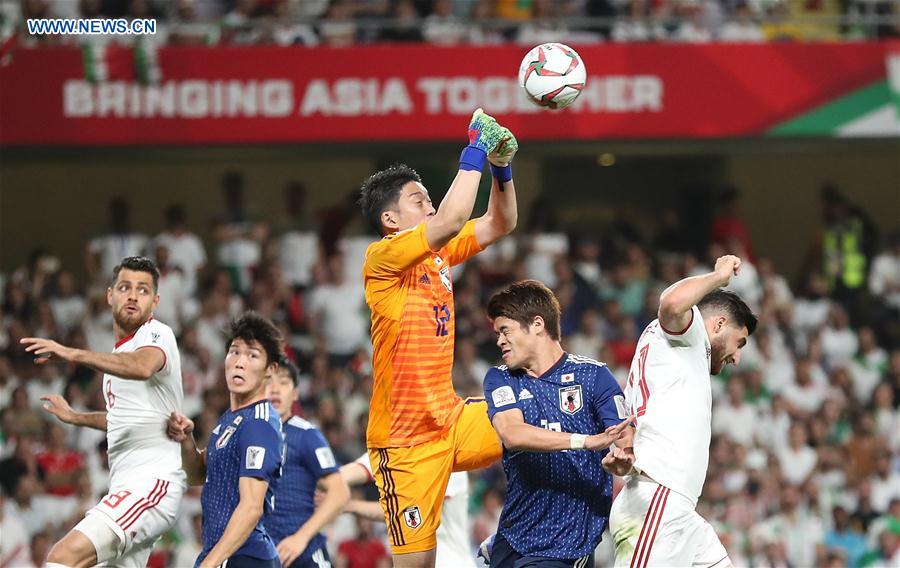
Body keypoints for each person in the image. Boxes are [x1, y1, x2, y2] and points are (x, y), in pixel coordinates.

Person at [357, 108, 518, 566]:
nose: (430, 206)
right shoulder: (382, 259)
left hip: (450, 420)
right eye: (419, 200)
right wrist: (476, 149)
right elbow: (450, 218)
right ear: (391, 219)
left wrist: (501, 167)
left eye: (430, 199)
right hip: (404, 444)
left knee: (534, 415)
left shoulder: (438, 254)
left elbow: (500, 222)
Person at [22, 256, 186, 568]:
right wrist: (76, 417)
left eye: (143, 290)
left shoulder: (157, 334)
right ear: (110, 295)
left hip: (150, 484)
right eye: (125, 288)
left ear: (155, 302)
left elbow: (142, 366)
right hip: (126, 486)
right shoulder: (116, 357)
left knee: (62, 557)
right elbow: (123, 419)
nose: (133, 296)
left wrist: (71, 353)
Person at [604, 255, 758, 568]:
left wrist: (628, 453)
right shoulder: (690, 335)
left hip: (677, 508)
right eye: (739, 342)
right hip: (658, 503)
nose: (737, 357)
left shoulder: (677, 354)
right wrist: (719, 277)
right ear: (718, 324)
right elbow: (672, 303)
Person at [482, 279, 632, 567]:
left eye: (505, 330)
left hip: (567, 543)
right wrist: (585, 441)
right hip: (513, 537)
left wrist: (624, 461)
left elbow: (625, 440)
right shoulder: (501, 378)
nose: (499, 341)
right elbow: (512, 433)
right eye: (497, 333)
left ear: (537, 324)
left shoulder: (593, 376)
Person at [167, 312, 285, 568]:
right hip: (222, 553)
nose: (240, 362)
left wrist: (209, 564)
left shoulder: (259, 424)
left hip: (245, 556)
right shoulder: (229, 419)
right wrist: (186, 440)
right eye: (234, 352)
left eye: (252, 355)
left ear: (270, 369)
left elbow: (251, 508)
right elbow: (198, 475)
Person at [264, 358, 350, 568]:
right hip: (261, 552)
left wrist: (300, 538)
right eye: (268, 381)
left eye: (283, 382)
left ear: (295, 393)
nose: (275, 389)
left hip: (304, 552)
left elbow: (340, 492)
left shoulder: (306, 435)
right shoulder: (246, 434)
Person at [339, 454, 475, 568]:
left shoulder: (447, 456)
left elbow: (412, 513)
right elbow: (355, 471)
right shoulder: (394, 447)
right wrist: (331, 484)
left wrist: (350, 505)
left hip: (450, 561)